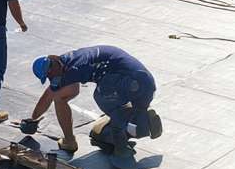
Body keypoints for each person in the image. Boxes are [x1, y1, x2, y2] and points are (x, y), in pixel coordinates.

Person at [25, 46, 160, 156]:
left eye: (50, 76)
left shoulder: (73, 69)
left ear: (52, 69)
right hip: (144, 84)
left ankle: (123, 146)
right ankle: (140, 118)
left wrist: (32, 120)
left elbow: (50, 95)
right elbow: (68, 91)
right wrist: (33, 118)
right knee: (110, 125)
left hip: (129, 83)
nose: (51, 79)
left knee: (103, 99)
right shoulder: (69, 61)